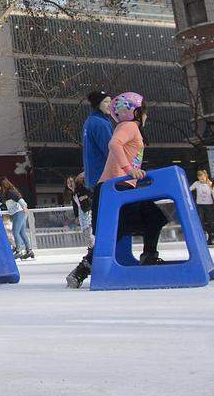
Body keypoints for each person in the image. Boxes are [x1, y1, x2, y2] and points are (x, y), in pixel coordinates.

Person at [66, 92, 170, 288]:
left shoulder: (127, 127)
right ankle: (85, 269)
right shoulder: (129, 126)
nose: (146, 115)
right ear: (135, 112)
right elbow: (114, 144)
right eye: (144, 111)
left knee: (139, 223)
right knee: (131, 225)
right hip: (117, 188)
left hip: (118, 188)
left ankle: (147, 256)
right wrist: (129, 170)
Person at [0, 177, 34, 260]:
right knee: (22, 232)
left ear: (2, 185)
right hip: (17, 213)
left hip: (20, 212)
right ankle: (29, 251)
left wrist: (24, 207)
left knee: (15, 231)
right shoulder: (4, 193)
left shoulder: (11, 192)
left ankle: (18, 251)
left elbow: (20, 199)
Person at [190, 169, 214, 244]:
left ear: (205, 176)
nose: (201, 179)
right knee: (200, 219)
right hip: (200, 204)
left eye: (202, 177)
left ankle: (213, 236)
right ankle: (204, 234)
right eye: (199, 178)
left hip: (209, 204)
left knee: (209, 220)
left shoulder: (210, 184)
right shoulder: (196, 183)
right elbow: (189, 189)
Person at [67, 174, 93, 246]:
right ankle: (90, 248)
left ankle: (92, 248)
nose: (69, 184)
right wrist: (76, 216)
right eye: (68, 183)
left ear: (74, 182)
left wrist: (85, 196)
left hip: (87, 211)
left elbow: (91, 193)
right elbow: (75, 206)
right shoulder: (73, 194)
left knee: (88, 231)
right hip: (81, 212)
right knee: (85, 231)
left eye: (71, 182)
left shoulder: (81, 188)